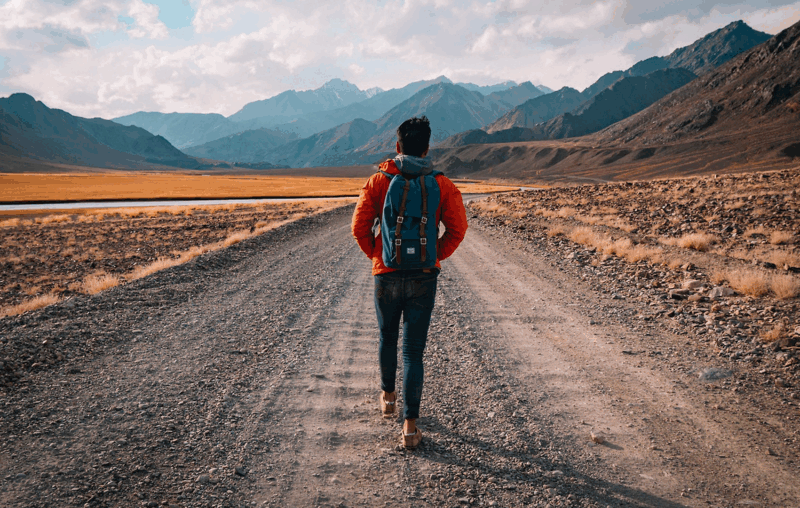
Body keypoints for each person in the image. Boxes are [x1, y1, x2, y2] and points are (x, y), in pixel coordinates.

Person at [351, 116, 468, 448]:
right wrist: (433, 256)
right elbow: (457, 230)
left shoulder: (378, 181)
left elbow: (359, 228)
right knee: (413, 351)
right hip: (423, 278)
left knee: (387, 338)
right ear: (428, 148)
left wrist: (380, 254)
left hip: (385, 275)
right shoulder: (442, 184)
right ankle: (410, 428)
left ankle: (388, 398)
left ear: (397, 146)